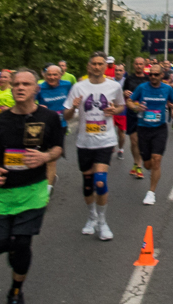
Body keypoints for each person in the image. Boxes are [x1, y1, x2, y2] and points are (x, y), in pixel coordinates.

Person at [0, 69, 64, 304]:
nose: (19, 87)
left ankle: (16, 291)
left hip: (33, 192)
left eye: (26, 84)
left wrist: (45, 156)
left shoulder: (49, 118)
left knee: (22, 244)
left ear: (35, 89)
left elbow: (58, 148)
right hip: (2, 193)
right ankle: (14, 250)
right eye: (16, 84)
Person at [63, 51, 125, 241]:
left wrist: (115, 110)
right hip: (84, 142)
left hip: (105, 140)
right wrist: (73, 107)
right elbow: (66, 116)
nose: (97, 67)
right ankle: (92, 217)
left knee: (100, 181)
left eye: (100, 64)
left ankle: (103, 222)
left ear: (106, 67)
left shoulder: (114, 86)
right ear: (89, 66)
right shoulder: (78, 87)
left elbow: (121, 106)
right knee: (88, 185)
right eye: (94, 64)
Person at [128, 66, 173, 205]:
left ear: (162, 75)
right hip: (143, 128)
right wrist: (135, 107)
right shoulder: (142, 88)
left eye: (156, 74)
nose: (153, 76)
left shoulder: (167, 89)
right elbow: (130, 101)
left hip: (160, 128)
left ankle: (151, 193)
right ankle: (147, 165)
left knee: (156, 160)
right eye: (151, 74)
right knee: (147, 164)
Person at [35, 65, 72, 194]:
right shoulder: (39, 88)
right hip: (41, 126)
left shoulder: (67, 85)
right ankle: (46, 179)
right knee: (40, 156)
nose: (51, 77)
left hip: (60, 125)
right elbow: (31, 103)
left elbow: (75, 99)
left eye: (55, 75)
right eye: (49, 75)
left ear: (60, 75)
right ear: (44, 75)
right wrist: (38, 106)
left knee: (51, 158)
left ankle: (48, 189)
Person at [122, 58, 149, 179]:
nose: (138, 66)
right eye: (136, 64)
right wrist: (124, 93)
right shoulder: (129, 79)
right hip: (132, 112)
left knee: (139, 140)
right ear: (134, 65)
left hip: (144, 112)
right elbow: (123, 92)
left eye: (141, 64)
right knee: (133, 141)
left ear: (144, 65)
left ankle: (139, 166)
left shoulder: (148, 79)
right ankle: (135, 162)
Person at [112, 62, 128, 160]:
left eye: (120, 70)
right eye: (116, 70)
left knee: (121, 133)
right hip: (112, 110)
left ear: (124, 72)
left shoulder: (127, 82)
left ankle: (121, 149)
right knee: (109, 130)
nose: (118, 72)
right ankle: (111, 146)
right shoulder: (110, 81)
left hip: (122, 111)